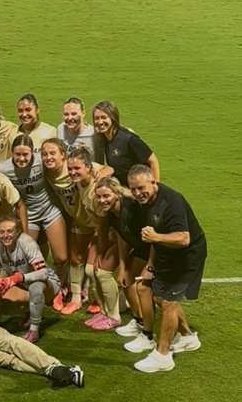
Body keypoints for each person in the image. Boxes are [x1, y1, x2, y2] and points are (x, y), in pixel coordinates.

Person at [127, 166, 206, 373]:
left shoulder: (172, 202)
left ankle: (162, 356)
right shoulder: (145, 203)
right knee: (159, 298)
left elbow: (183, 238)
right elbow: (154, 234)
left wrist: (156, 237)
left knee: (169, 301)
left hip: (188, 257)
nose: (137, 193)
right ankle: (188, 338)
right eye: (133, 189)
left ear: (153, 182)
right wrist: (150, 266)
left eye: (141, 188)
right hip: (167, 255)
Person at [93, 176, 155, 351]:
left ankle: (151, 333)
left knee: (155, 295)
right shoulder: (112, 213)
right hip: (140, 249)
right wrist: (122, 265)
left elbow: (151, 236)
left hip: (153, 249)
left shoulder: (131, 210)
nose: (102, 200)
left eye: (106, 196)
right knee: (126, 280)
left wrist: (150, 265)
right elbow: (122, 239)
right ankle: (139, 321)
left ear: (117, 193)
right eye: (99, 197)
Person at [0, 134, 68, 291]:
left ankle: (57, 287)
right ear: (11, 153)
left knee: (61, 258)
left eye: (26, 155)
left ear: (33, 153)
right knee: (27, 258)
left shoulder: (41, 160)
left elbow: (62, 162)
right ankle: (32, 287)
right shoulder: (3, 168)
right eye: (18, 154)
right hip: (28, 215)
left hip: (48, 210)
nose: (22, 159)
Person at [66, 147, 120, 329]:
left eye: (77, 169)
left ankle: (114, 315)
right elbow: (108, 167)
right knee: (90, 271)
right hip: (103, 231)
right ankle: (103, 311)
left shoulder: (96, 191)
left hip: (118, 234)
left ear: (88, 168)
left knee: (101, 272)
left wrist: (100, 253)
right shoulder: (85, 179)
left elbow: (103, 226)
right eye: (70, 168)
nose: (72, 172)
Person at [0, 216, 60, 342]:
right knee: (3, 304)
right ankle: (27, 312)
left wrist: (18, 277)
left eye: (10, 231)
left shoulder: (26, 242)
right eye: (2, 232)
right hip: (22, 284)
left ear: (17, 231)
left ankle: (34, 331)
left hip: (48, 283)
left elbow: (43, 273)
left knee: (35, 287)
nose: (5, 235)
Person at [92, 100, 160, 185]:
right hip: (124, 189)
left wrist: (156, 187)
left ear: (112, 117)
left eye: (104, 117)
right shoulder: (104, 138)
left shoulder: (128, 139)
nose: (100, 122)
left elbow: (153, 161)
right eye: (96, 118)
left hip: (138, 189)